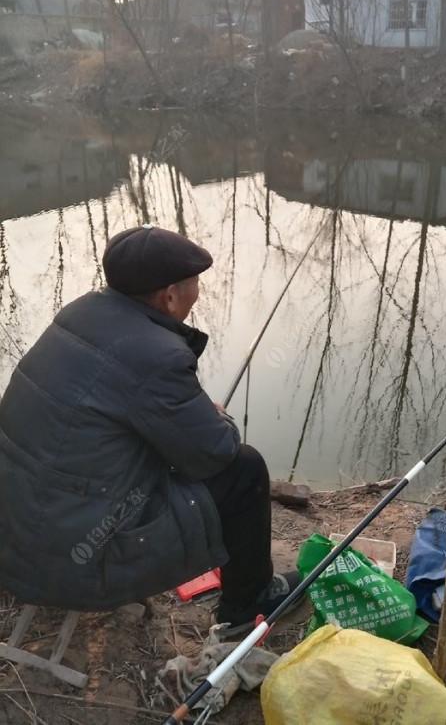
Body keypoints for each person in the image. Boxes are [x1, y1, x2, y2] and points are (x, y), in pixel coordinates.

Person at [0, 225, 301, 635]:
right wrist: (216, 418)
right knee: (245, 470)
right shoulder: (157, 356)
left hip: (18, 531)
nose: (198, 293)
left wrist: (183, 416)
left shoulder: (79, 314)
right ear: (170, 295)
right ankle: (247, 605)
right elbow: (215, 452)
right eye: (195, 284)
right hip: (74, 555)